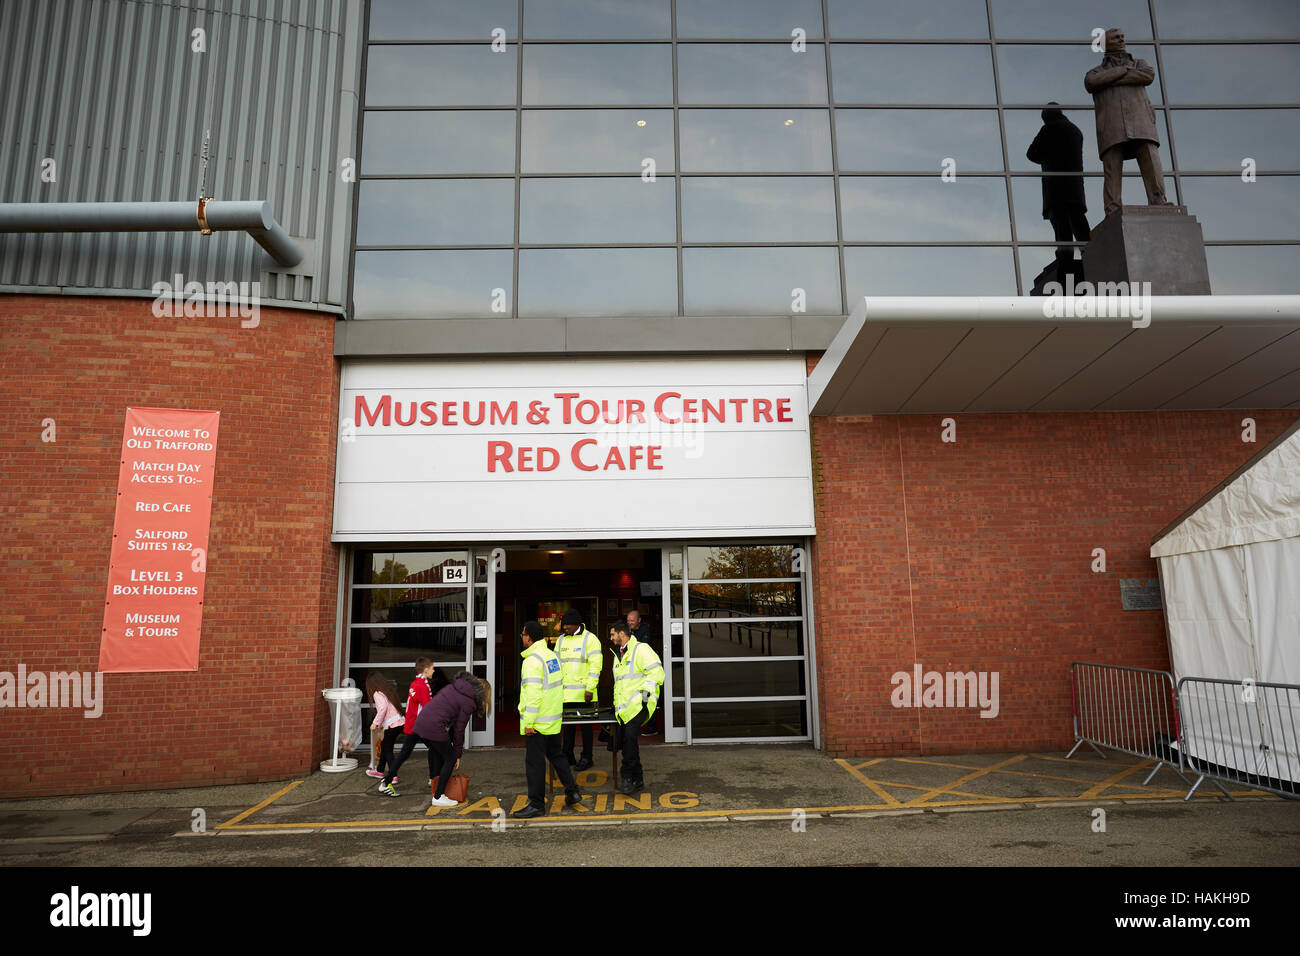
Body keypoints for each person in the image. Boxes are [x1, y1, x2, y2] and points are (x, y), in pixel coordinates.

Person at [1085, 27, 1171, 217]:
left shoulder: (1140, 63)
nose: (1122, 39)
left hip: (1141, 123)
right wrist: (1124, 71)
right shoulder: (1095, 72)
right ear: (1106, 42)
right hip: (1112, 126)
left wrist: (1111, 78)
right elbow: (1092, 82)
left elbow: (1147, 75)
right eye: (1117, 37)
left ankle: (1159, 201)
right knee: (1112, 169)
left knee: (1151, 161)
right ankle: (1112, 209)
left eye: (1123, 36)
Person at [513, 620, 584, 818]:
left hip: (537, 723)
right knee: (557, 757)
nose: (522, 637)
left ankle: (536, 804)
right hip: (552, 720)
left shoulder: (531, 661)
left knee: (535, 764)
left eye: (523, 634)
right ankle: (572, 791)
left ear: (529, 637)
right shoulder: (551, 657)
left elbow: (534, 695)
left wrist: (528, 723)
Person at [1026, 102, 1090, 282]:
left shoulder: (1049, 129)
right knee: (1080, 226)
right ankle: (1092, 257)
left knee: (1062, 231)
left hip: (1056, 189)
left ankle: (1066, 264)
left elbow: (1031, 154)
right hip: (1075, 188)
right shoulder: (1075, 131)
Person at [414, 670, 491, 807]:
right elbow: (459, 730)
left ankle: (435, 786)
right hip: (434, 726)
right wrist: (458, 754)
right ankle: (438, 796)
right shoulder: (469, 701)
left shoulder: (457, 688)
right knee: (450, 758)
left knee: (439, 753)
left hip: (421, 722)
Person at [609, 620, 664, 795]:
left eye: (612, 634)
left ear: (621, 634)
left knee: (629, 740)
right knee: (628, 742)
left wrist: (644, 696)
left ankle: (627, 777)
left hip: (639, 705)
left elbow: (657, 672)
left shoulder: (641, 649)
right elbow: (619, 685)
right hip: (624, 709)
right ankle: (638, 779)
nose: (610, 638)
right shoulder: (618, 654)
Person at [378, 658, 436, 797]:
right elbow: (428, 707)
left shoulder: (416, 683)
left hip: (414, 724)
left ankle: (433, 778)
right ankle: (386, 782)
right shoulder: (422, 686)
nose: (434, 670)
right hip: (418, 726)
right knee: (413, 752)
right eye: (432, 668)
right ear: (426, 670)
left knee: (426, 750)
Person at [557, 607, 602, 771]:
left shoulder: (591, 639)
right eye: (563, 625)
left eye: (567, 625)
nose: (564, 628)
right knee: (567, 727)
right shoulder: (561, 640)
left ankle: (587, 757)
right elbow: (556, 664)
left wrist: (590, 688)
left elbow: (596, 666)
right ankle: (567, 755)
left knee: (586, 728)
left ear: (576, 624)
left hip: (585, 694)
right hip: (565, 694)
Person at [364, 672, 405, 781]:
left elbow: (383, 708)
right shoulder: (387, 691)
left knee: (387, 749)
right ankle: (380, 770)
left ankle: (393, 775)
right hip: (398, 722)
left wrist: (375, 723)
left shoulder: (377, 694)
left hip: (392, 725)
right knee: (385, 746)